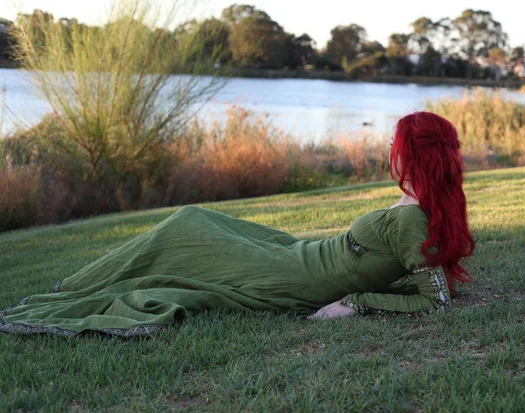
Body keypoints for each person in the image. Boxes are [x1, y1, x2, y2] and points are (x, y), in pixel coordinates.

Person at [0, 112, 475, 337]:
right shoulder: (421, 203)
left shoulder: (414, 219)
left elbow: (435, 299)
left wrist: (353, 304)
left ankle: (73, 289)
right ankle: (79, 283)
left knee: (182, 227)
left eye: (397, 146)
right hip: (299, 251)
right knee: (196, 218)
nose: (390, 152)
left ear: (411, 155)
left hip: (296, 277)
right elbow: (426, 271)